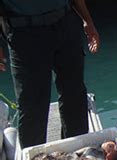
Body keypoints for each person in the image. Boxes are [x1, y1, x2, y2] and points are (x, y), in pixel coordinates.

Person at [0, 0, 100, 148]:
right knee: (32, 106)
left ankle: (78, 152)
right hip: (24, 32)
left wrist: (88, 21)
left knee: (74, 93)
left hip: (65, 23)